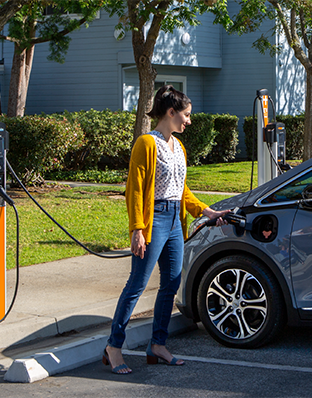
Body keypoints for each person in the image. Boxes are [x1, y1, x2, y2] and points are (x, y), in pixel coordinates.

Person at [102, 85, 229, 374]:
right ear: (170, 113)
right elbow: (134, 190)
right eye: (186, 115)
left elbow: (181, 191)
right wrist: (137, 229)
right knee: (136, 285)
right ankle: (114, 347)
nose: (189, 120)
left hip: (174, 221)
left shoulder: (178, 146)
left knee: (171, 284)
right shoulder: (146, 143)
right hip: (154, 219)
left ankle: (157, 345)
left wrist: (207, 212)